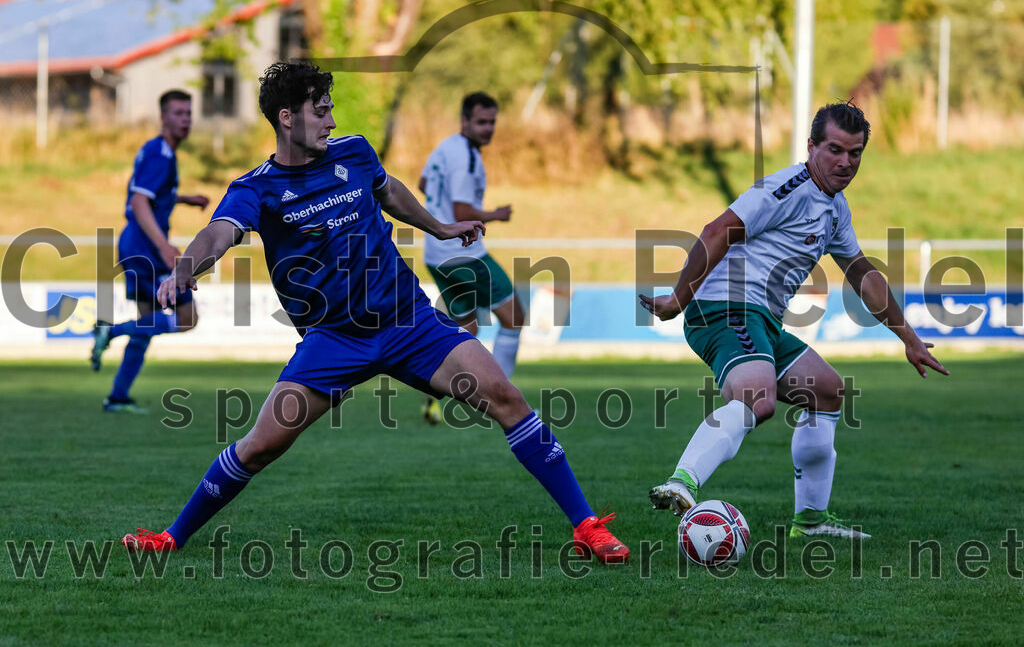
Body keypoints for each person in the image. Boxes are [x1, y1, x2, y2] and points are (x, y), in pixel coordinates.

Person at [120, 62, 628, 564]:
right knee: (259, 447)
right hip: (334, 340)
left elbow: (390, 192)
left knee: (506, 397)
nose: (331, 121)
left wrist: (439, 227)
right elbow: (219, 233)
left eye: (331, 109)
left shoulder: (355, 153)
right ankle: (171, 537)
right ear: (286, 118)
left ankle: (586, 526)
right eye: (320, 111)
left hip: (409, 321)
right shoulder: (256, 188)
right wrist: (186, 268)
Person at [640, 101, 949, 539]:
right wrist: (677, 297)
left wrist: (909, 337)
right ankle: (681, 482)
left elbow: (861, 273)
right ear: (811, 146)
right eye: (835, 150)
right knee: (757, 397)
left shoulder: (835, 208)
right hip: (723, 307)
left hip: (761, 318)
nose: (845, 162)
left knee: (827, 391)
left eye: (855, 153)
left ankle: (812, 520)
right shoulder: (784, 189)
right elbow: (717, 230)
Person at [90, 89, 209, 414]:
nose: (185, 119)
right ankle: (110, 330)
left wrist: (184, 199)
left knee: (146, 324)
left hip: (133, 245)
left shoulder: (155, 150)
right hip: (146, 248)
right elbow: (138, 201)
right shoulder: (162, 154)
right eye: (178, 113)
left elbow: (151, 193)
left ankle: (117, 397)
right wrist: (164, 246)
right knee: (187, 318)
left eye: (188, 113)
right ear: (163, 117)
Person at [417, 92, 524, 424]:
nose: (488, 128)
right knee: (514, 318)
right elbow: (462, 211)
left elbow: (423, 183)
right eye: (481, 122)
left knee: (466, 331)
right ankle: (500, 393)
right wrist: (497, 214)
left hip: (436, 254)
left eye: (492, 122)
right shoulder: (466, 158)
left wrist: (439, 213)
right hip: (464, 254)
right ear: (464, 121)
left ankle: (434, 397)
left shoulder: (446, 146)